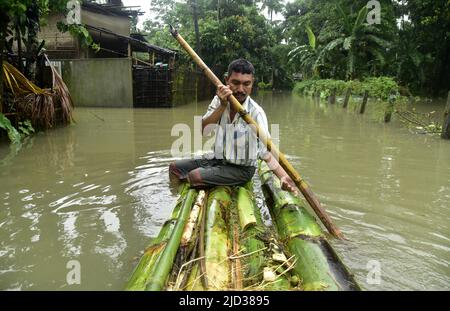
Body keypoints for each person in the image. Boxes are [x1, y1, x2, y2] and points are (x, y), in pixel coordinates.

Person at [169, 59, 298, 194]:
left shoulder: (256, 112)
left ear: (252, 83)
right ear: (226, 80)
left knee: (194, 177)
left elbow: (266, 151)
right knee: (175, 168)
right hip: (217, 159)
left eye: (246, 84)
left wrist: (283, 176)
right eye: (235, 83)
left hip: (241, 169)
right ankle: (177, 197)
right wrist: (222, 106)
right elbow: (204, 131)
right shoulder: (218, 100)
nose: (240, 89)